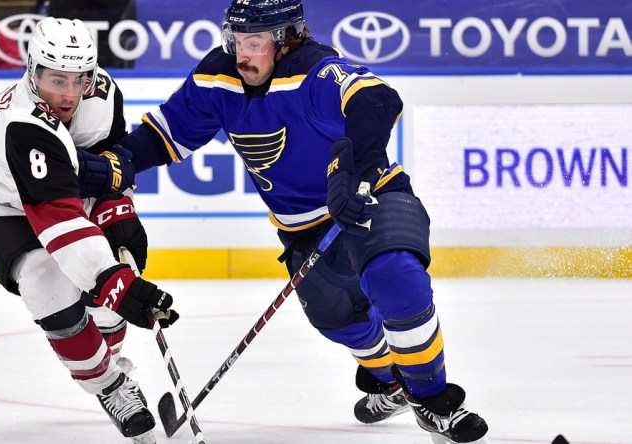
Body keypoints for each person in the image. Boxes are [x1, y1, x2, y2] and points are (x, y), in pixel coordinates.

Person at [102, 0, 490, 442]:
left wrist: (355, 173)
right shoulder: (219, 76)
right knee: (337, 320)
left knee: (396, 276)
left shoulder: (315, 71)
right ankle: (392, 382)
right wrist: (117, 164)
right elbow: (163, 134)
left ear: (287, 40)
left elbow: (377, 100)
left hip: (370, 198)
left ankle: (434, 400)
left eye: (252, 43)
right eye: (234, 40)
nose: (240, 53)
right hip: (301, 229)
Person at [0, 17, 176, 443]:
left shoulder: (103, 94)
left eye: (78, 79)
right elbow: (57, 217)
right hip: (4, 213)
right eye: (55, 79)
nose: (68, 93)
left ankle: (107, 356)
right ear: (32, 71)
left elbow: (109, 165)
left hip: (62, 196)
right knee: (50, 283)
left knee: (110, 275)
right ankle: (112, 388)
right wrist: (114, 283)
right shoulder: (22, 124)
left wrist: (118, 210)